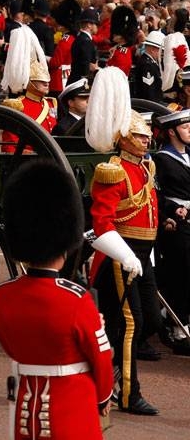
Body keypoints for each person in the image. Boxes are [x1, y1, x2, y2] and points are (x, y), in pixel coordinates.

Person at [0, 160, 114, 440]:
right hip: (71, 406)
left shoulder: (4, 294)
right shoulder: (75, 299)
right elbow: (101, 358)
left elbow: (11, 345)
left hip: (25, 404)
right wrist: (103, 397)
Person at [84, 67, 160, 415]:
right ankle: (129, 392)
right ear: (125, 138)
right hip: (120, 254)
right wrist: (126, 254)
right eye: (141, 136)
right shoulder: (112, 170)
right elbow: (102, 224)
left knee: (148, 323)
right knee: (131, 323)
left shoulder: (146, 169)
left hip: (142, 253)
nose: (147, 140)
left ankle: (106, 374)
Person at [150, 109, 190, 356]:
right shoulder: (162, 159)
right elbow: (156, 194)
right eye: (185, 127)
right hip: (177, 222)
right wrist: (171, 211)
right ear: (173, 131)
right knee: (182, 271)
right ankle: (177, 324)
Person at [70, 7, 100, 85]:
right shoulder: (86, 41)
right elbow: (85, 66)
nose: (97, 27)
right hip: (80, 82)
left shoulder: (81, 38)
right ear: (89, 25)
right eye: (96, 24)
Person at [132, 30, 164, 102]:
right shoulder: (147, 65)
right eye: (161, 50)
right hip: (150, 107)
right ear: (153, 49)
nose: (162, 54)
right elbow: (149, 93)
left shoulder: (149, 62)